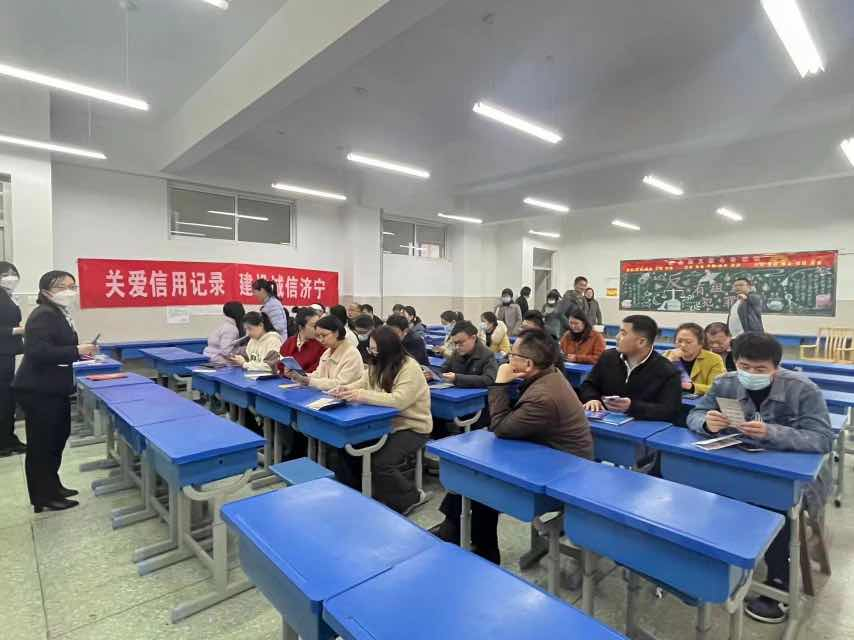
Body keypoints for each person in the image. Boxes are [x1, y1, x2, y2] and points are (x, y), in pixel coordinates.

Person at [687, 332, 832, 624]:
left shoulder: (803, 389)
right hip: (739, 464)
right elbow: (695, 413)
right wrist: (706, 422)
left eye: (760, 369)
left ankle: (778, 579)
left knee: (773, 507)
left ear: (775, 367)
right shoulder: (725, 382)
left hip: (790, 477)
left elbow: (822, 439)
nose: (751, 374)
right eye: (744, 366)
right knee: (709, 495)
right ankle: (724, 560)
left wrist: (772, 432)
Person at [435, 330, 594, 564]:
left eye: (512, 355)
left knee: (482, 483)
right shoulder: (548, 374)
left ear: (528, 364)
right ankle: (456, 529)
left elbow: (500, 427)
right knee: (473, 476)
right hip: (545, 454)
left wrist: (499, 383)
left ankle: (479, 548)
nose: (507, 359)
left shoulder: (543, 396)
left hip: (564, 472)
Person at [14, 271, 98, 512]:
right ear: (45, 291)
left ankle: (53, 486)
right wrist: (76, 350)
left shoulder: (59, 313)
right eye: (62, 286)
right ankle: (43, 497)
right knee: (42, 445)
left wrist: (81, 351)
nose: (69, 291)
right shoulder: (43, 314)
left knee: (57, 438)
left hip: (54, 388)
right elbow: (38, 353)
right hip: (39, 390)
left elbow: (58, 347)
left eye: (72, 286)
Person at [333, 326, 432, 514]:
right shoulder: (377, 362)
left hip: (411, 426)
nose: (371, 353)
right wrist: (346, 389)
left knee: (381, 462)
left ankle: (411, 498)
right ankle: (357, 494)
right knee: (346, 449)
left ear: (388, 349)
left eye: (375, 349)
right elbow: (362, 383)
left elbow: (399, 400)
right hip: (381, 424)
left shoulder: (409, 367)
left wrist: (361, 395)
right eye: (370, 349)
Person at [579, 315, 681, 422]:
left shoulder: (667, 371)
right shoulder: (608, 357)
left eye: (623, 334)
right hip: (604, 421)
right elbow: (588, 385)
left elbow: (670, 410)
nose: (617, 337)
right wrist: (592, 399)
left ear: (641, 342)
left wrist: (632, 407)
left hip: (641, 426)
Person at [283, 315, 363, 390]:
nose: (321, 340)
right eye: (318, 336)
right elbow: (318, 375)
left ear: (336, 333)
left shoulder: (352, 354)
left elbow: (340, 383)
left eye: (324, 335)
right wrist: (298, 376)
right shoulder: (327, 352)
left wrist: (308, 381)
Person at [0, 262, 25, 456]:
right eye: (6, 274)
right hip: (2, 354)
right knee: (4, 400)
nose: (11, 277)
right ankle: (4, 443)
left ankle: (8, 438)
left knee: (8, 399)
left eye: (13, 273)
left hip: (8, 352)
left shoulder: (8, 295)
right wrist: (18, 330)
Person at [663, 322, 725, 396]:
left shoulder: (714, 359)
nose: (682, 345)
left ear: (700, 344)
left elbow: (718, 389)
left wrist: (692, 387)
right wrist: (669, 361)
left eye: (688, 342)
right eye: (679, 341)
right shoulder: (667, 355)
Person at [279, 307, 325, 373]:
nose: (318, 329)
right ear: (300, 327)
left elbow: (317, 371)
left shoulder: (322, 345)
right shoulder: (289, 342)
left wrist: (298, 375)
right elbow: (280, 366)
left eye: (319, 325)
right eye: (313, 326)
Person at [203, 301, 246, 366]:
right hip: (218, 360)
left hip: (211, 357)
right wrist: (244, 350)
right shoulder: (231, 329)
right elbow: (226, 352)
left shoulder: (225, 326)